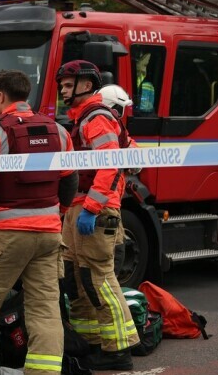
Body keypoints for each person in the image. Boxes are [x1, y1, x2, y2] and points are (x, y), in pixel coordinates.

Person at [0, 70, 79, 375]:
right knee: (45, 308)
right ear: (26, 94)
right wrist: (58, 213)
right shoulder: (58, 131)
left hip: (6, 237)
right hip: (48, 235)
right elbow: (70, 179)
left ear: (0, 95)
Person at [56, 61, 139, 370]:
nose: (63, 90)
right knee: (77, 279)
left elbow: (109, 165)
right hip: (79, 205)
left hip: (95, 208)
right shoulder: (83, 119)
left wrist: (91, 208)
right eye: (62, 85)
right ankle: (91, 342)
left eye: (68, 85)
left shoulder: (96, 118)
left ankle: (119, 349)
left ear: (87, 85)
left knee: (98, 278)